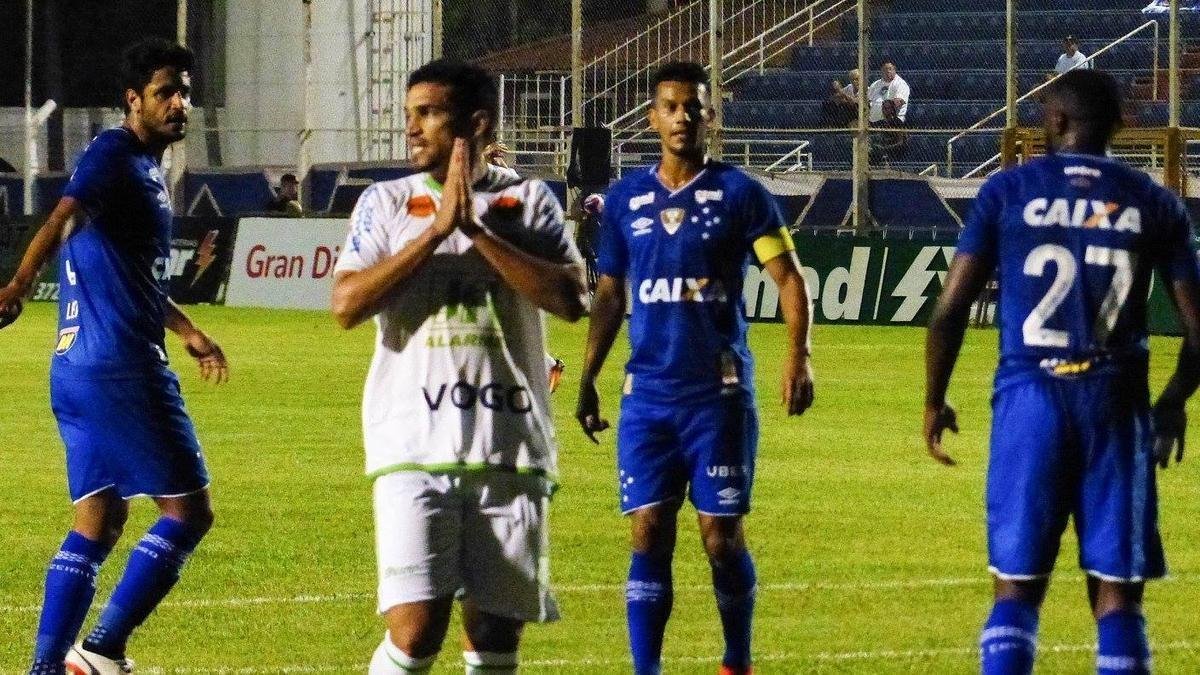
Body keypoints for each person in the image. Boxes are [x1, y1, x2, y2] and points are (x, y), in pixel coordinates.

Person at [924, 69, 1200, 675]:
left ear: (1055, 121)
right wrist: (1174, 399)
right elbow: (1198, 329)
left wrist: (934, 400)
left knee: (1016, 590)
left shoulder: (1007, 191)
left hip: (1029, 401)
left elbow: (949, 311)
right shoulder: (1155, 202)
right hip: (1115, 405)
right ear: (1119, 126)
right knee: (1118, 599)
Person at [330, 58, 587, 675]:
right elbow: (346, 305)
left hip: (509, 444)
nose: (412, 128)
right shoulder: (385, 201)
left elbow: (572, 300)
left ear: (476, 124)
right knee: (416, 629)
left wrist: (476, 233)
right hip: (411, 445)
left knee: (494, 636)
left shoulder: (529, 201)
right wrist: (434, 234)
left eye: (429, 114)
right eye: (409, 114)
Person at [576, 61, 816, 675]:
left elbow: (789, 280)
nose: (682, 117)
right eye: (670, 107)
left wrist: (799, 356)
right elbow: (610, 293)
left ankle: (737, 661)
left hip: (719, 395)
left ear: (711, 116)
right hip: (648, 397)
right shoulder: (625, 199)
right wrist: (588, 377)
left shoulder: (741, 194)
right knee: (648, 530)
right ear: (652, 118)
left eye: (693, 106)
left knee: (720, 538)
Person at [0, 38, 229, 674]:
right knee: (188, 513)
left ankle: (45, 669)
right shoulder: (114, 155)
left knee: (96, 524)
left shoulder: (141, 169)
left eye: (185, 92)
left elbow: (132, 277)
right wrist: (19, 283)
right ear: (133, 100)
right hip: (122, 368)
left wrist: (187, 330)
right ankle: (101, 649)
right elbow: (63, 218)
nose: (179, 104)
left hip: (76, 370)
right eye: (165, 92)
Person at [868, 99, 909, 167]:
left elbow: (901, 141)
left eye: (887, 108)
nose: (884, 110)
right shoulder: (882, 122)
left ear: (892, 109)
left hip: (894, 149)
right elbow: (870, 125)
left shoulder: (897, 122)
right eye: (883, 108)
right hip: (882, 147)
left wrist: (885, 148)